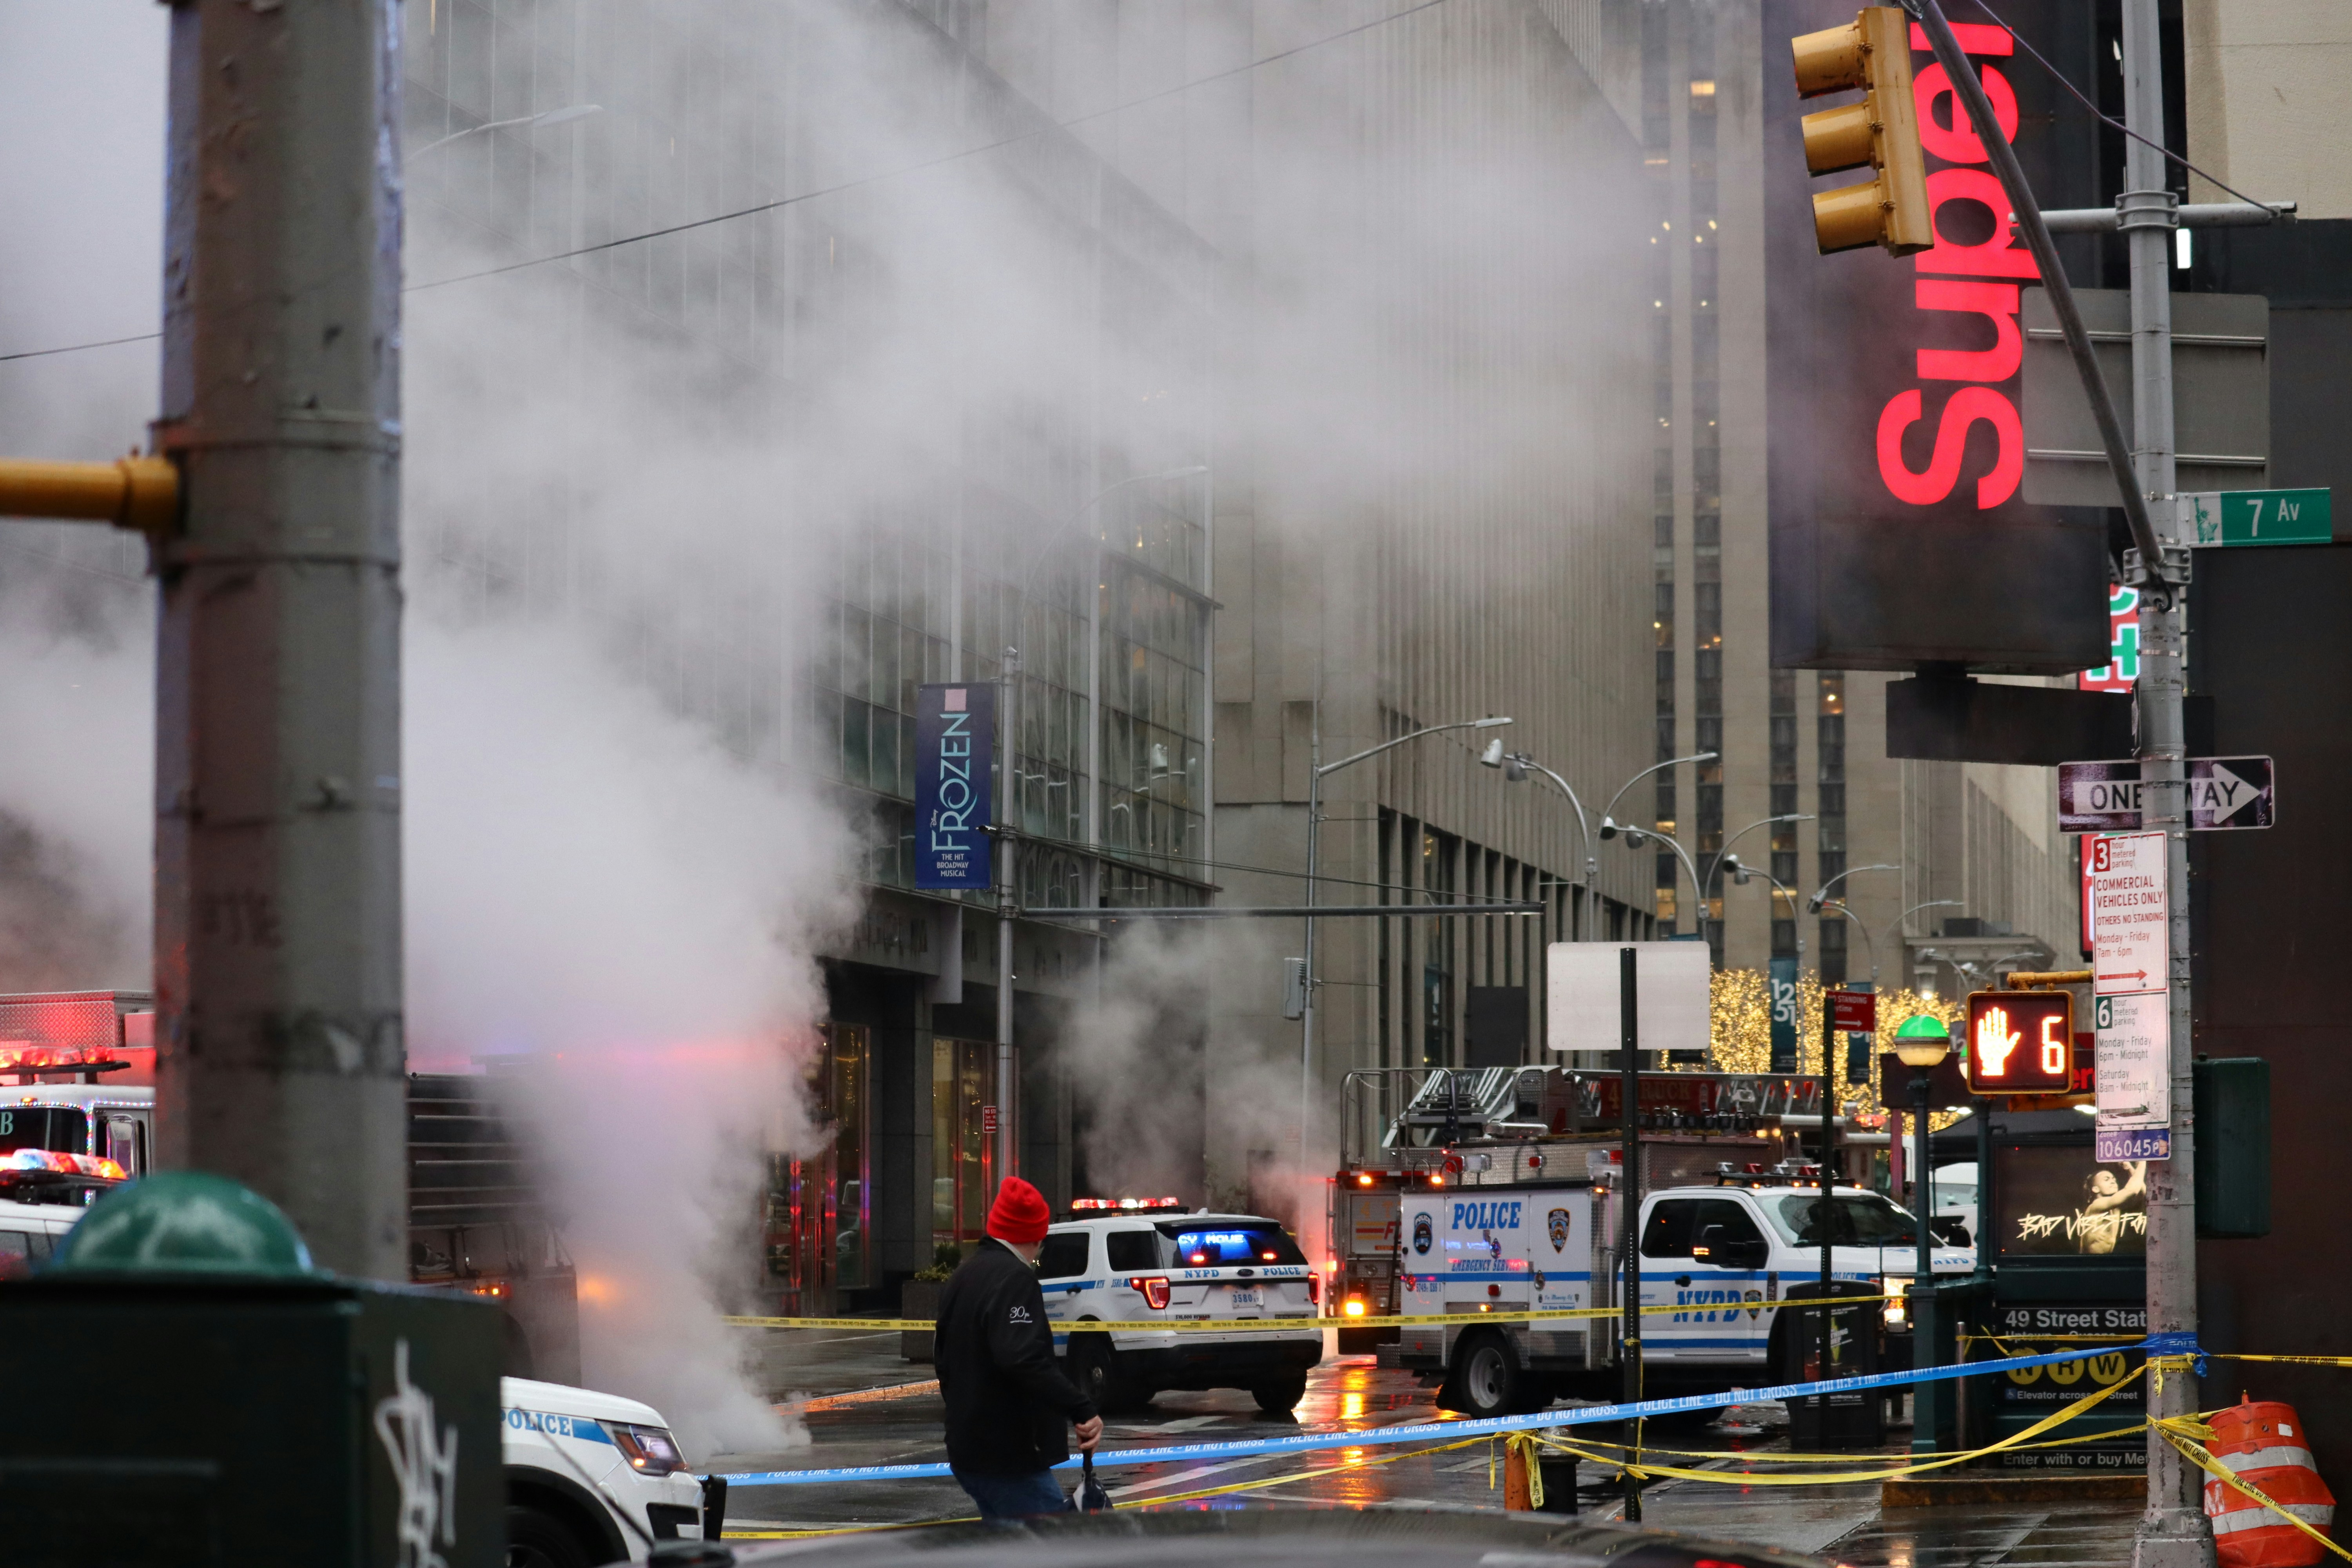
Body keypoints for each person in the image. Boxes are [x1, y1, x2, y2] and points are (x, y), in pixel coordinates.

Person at [934, 1177, 1103, 1519]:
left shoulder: (964, 1275)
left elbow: (942, 1358)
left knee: (1007, 1541)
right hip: (1008, 1454)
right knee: (1048, 1542)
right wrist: (1080, 1407)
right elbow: (1023, 1357)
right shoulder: (1016, 1279)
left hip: (968, 1447)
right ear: (1036, 1236)